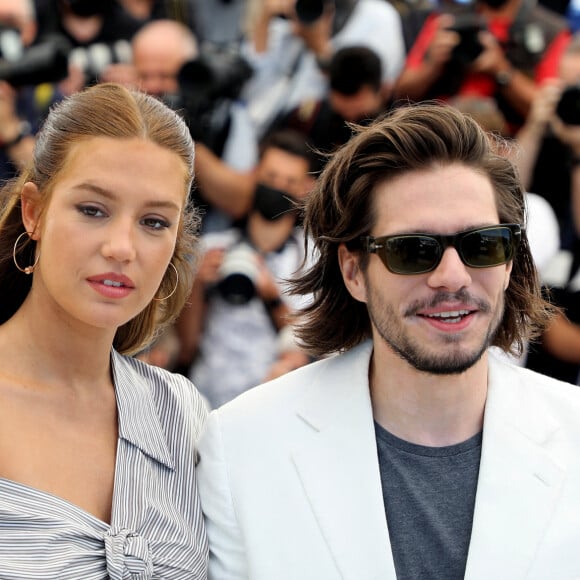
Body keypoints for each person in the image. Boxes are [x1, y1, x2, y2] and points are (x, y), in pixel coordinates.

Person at [196, 101, 580, 579]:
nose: (452, 277)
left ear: (507, 263)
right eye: (413, 251)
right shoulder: (242, 447)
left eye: (482, 244)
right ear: (354, 271)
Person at [0, 82, 208, 577]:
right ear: (35, 211)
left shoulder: (181, 415)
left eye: (154, 222)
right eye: (93, 210)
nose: (122, 247)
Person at [174, 129, 315, 408]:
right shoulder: (213, 247)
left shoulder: (311, 259)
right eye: (270, 178)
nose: (277, 188)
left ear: (305, 189)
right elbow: (187, 346)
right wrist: (197, 285)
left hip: (269, 407)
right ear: (254, 174)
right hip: (204, 401)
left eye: (289, 182)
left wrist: (272, 296)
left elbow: (313, 348)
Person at [394, 0, 570, 133]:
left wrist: (501, 70)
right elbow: (402, 93)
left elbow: (547, 110)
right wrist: (433, 65)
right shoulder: (447, 19)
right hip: (440, 131)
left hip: (509, 144)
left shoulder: (548, 30)